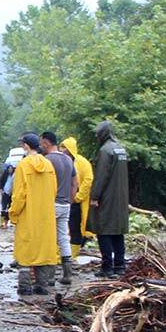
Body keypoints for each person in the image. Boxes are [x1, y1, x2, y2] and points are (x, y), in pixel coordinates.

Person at [9, 132, 59, 295]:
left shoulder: (23, 165)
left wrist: (13, 213)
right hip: (45, 214)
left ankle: (24, 286)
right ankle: (42, 285)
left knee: (26, 249)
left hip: (27, 214)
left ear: (26, 146)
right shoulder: (48, 164)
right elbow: (54, 190)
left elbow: (19, 194)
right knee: (43, 247)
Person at [87, 121, 130, 278]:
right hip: (121, 197)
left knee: (103, 230)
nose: (96, 136)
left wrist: (94, 196)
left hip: (107, 197)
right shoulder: (120, 148)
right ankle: (120, 265)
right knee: (118, 231)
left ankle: (107, 267)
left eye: (98, 133)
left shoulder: (105, 151)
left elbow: (101, 176)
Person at [40, 131, 78, 285]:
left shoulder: (47, 160)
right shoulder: (69, 160)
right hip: (65, 204)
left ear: (47, 143)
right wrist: (70, 199)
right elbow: (75, 182)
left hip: (51, 204)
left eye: (42, 142)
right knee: (63, 237)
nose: (41, 145)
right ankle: (67, 274)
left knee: (48, 238)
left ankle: (49, 276)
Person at [59, 136, 94, 260]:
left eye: (65, 148)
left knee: (76, 227)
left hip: (77, 200)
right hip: (65, 199)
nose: (62, 150)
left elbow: (88, 180)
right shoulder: (63, 161)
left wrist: (79, 197)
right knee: (66, 227)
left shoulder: (82, 162)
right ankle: (66, 252)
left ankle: (73, 255)